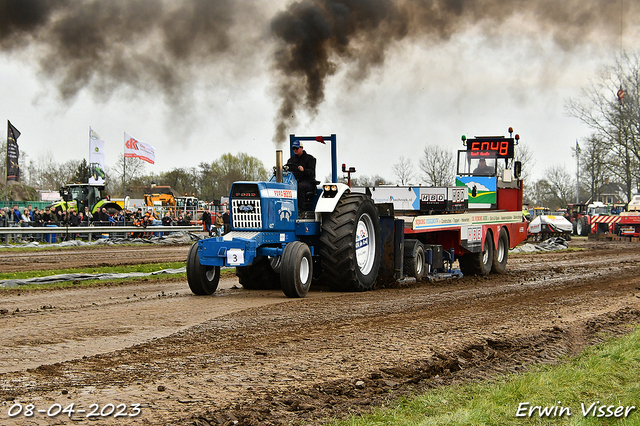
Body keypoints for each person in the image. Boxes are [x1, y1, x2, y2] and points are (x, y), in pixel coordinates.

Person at [286, 139, 317, 211]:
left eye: (296, 148)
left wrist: (304, 170)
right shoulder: (291, 160)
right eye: (293, 148)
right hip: (294, 181)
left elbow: (311, 172)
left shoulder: (310, 159)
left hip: (308, 182)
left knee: (300, 186)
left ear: (301, 148)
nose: (295, 150)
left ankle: (301, 210)